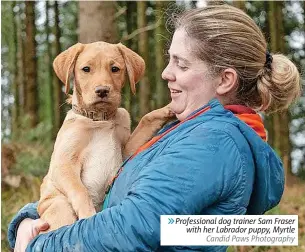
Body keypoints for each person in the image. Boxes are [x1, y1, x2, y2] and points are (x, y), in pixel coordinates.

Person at [8, 4, 301, 252]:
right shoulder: (188, 131)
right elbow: (166, 225)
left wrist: (36, 244)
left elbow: (135, 227)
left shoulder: (215, 143)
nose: (165, 73)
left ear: (224, 80)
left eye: (181, 65)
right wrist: (29, 217)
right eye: (169, 60)